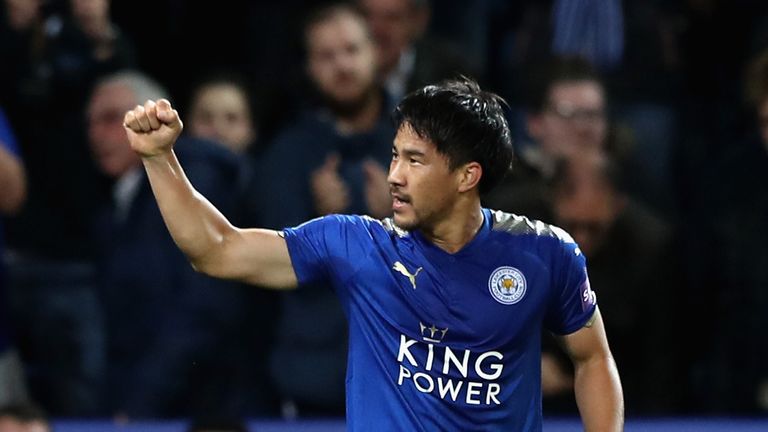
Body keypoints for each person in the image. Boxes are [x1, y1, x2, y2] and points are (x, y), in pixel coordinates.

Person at [123, 77, 623, 430]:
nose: (394, 176)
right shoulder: (355, 246)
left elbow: (592, 358)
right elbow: (216, 250)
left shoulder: (545, 255)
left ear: (467, 175)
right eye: (394, 155)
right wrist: (159, 158)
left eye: (415, 160)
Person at [89, 71, 259, 418]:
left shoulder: (191, 183)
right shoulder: (121, 202)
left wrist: (139, 405)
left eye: (111, 119)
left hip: (197, 406)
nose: (96, 134)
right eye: (90, 122)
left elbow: (201, 308)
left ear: (153, 119)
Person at [258, 4, 394, 416]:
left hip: (406, 373)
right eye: (326, 56)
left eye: (351, 50)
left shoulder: (420, 142)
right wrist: (314, 226)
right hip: (312, 381)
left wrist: (399, 221)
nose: (343, 65)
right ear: (309, 67)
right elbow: (264, 263)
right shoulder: (285, 155)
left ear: (375, 52)